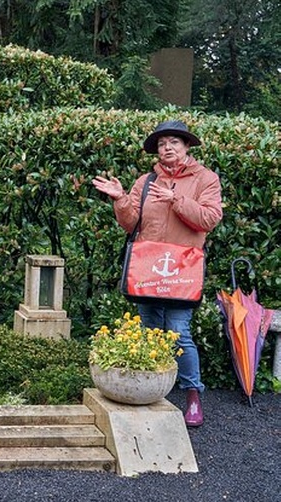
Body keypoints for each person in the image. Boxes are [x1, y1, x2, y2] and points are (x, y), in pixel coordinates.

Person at [92, 120, 223, 427]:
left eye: (174, 142)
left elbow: (209, 218)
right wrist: (120, 200)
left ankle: (192, 395)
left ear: (187, 146)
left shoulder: (206, 179)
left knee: (180, 333)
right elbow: (130, 223)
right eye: (163, 143)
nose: (168, 147)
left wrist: (176, 200)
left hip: (181, 268)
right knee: (149, 327)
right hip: (149, 267)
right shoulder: (147, 180)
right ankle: (148, 392)